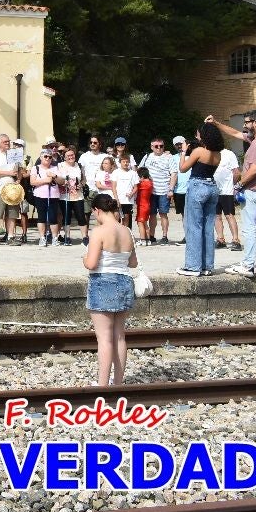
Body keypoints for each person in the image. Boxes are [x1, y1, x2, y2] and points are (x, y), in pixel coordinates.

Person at [212, 110, 256, 277]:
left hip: (253, 191)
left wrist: (239, 185)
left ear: (255, 123)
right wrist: (216, 123)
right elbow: (235, 133)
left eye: (247, 122)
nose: (244, 125)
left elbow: (254, 170)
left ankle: (248, 266)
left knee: (249, 229)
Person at [82, 193, 138, 386]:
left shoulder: (98, 232)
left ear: (97, 210)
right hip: (124, 281)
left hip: (103, 282)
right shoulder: (127, 231)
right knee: (119, 337)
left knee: (104, 339)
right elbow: (133, 262)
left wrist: (83, 259)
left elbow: (91, 263)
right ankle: (118, 383)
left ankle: (103, 385)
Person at [177, 123, 224, 277]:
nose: (197, 135)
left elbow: (183, 168)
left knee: (193, 226)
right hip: (212, 187)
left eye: (198, 133)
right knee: (208, 227)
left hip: (197, 186)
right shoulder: (218, 154)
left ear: (204, 135)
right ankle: (206, 266)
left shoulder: (198, 151)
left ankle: (192, 266)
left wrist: (184, 152)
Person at [138, 137, 176, 244]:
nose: (159, 148)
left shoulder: (169, 157)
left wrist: (171, 189)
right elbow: (139, 170)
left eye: (161, 146)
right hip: (150, 191)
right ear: (152, 147)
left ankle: (164, 236)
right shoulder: (147, 156)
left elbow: (174, 174)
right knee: (152, 214)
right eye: (156, 146)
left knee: (163, 214)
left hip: (164, 190)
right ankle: (151, 236)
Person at [0, 134, 23, 244]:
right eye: (5, 142)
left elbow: (20, 170)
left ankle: (10, 237)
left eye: (8, 141)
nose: (7, 143)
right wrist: (9, 173)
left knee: (12, 214)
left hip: (12, 191)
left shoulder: (14, 154)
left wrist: (18, 180)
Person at [29, 150, 63, 246]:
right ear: (41, 157)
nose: (48, 158)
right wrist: (45, 180)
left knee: (53, 217)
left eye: (50, 157)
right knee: (41, 217)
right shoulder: (36, 168)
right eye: (45, 156)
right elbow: (32, 182)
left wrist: (54, 176)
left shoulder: (55, 168)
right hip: (40, 195)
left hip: (53, 196)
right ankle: (42, 238)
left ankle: (55, 238)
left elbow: (61, 181)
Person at [56, 146, 88, 246]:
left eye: (72, 155)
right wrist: (62, 182)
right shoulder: (60, 165)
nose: (71, 157)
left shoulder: (79, 165)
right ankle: (67, 237)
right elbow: (57, 179)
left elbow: (84, 179)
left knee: (81, 216)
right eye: (68, 156)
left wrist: (81, 184)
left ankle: (85, 237)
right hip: (65, 195)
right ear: (64, 157)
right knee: (66, 216)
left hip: (78, 195)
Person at [213, 145, 241, 252]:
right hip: (214, 190)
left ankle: (236, 240)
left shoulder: (229, 153)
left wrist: (231, 185)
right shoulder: (210, 153)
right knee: (216, 215)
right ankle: (220, 239)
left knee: (229, 215)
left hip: (227, 191)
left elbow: (236, 172)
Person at [170, 135, 192, 244]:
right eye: (177, 144)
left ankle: (195, 236)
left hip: (191, 189)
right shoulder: (172, 157)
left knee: (193, 214)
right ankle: (187, 236)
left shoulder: (193, 155)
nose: (179, 146)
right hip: (178, 190)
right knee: (184, 215)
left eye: (181, 144)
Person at [112, 155, 138, 229]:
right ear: (120, 162)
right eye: (123, 162)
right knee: (116, 218)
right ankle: (117, 234)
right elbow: (113, 187)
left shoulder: (133, 173)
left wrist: (131, 194)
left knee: (126, 219)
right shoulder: (116, 172)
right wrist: (116, 199)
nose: (125, 163)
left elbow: (136, 187)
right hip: (118, 200)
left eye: (127, 162)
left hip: (128, 201)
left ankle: (127, 234)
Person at [133, 168, 154, 246]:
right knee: (145, 223)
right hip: (147, 205)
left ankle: (143, 240)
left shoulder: (142, 184)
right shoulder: (150, 182)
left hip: (142, 206)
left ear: (141, 176)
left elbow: (134, 186)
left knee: (140, 222)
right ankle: (148, 240)